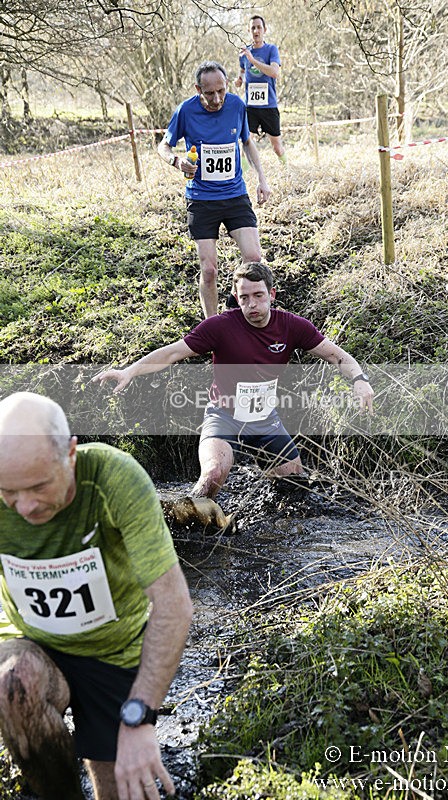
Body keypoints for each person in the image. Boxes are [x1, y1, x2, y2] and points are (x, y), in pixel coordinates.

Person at [0, 392, 193, 800]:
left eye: (38, 486)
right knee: (12, 685)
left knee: (122, 789)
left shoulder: (114, 478)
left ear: (70, 454)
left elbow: (172, 605)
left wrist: (140, 716)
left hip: (113, 651)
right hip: (33, 641)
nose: (24, 507)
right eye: (8, 492)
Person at [94, 262, 374, 501]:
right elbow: (173, 353)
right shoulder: (220, 326)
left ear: (272, 294)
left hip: (266, 420)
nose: (252, 305)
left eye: (258, 295)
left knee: (295, 490)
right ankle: (184, 524)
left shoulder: (291, 326)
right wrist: (130, 371)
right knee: (213, 475)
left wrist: (359, 379)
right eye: (244, 298)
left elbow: (337, 355)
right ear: (236, 297)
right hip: (224, 417)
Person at [158, 60, 271, 319]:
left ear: (227, 85)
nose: (217, 99)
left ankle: (234, 301)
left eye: (221, 91)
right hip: (201, 199)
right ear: (198, 89)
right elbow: (163, 146)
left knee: (254, 258)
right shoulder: (185, 110)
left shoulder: (237, 105)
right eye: (209, 93)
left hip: (235, 195)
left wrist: (262, 179)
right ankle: (211, 326)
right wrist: (177, 161)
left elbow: (247, 142)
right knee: (209, 270)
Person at [235, 15, 286, 164]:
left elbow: (274, 72)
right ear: (249, 31)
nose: (256, 31)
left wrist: (252, 60)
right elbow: (243, 71)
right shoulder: (244, 53)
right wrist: (239, 80)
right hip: (250, 106)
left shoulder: (271, 50)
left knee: (277, 147)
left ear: (265, 30)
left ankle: (287, 170)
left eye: (259, 27)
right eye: (253, 28)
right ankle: (244, 175)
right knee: (246, 142)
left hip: (268, 105)